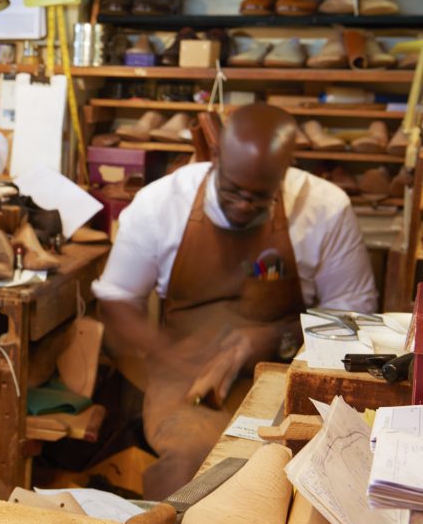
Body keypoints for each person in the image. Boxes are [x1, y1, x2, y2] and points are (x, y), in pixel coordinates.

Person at [92, 104, 377, 500]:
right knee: (193, 461)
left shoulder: (325, 209)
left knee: (297, 471)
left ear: (285, 172)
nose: (244, 205)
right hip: (188, 374)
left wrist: (273, 338)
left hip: (288, 370)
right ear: (217, 156)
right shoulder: (161, 204)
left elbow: (354, 320)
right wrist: (169, 355)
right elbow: (116, 300)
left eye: (260, 198)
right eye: (233, 190)